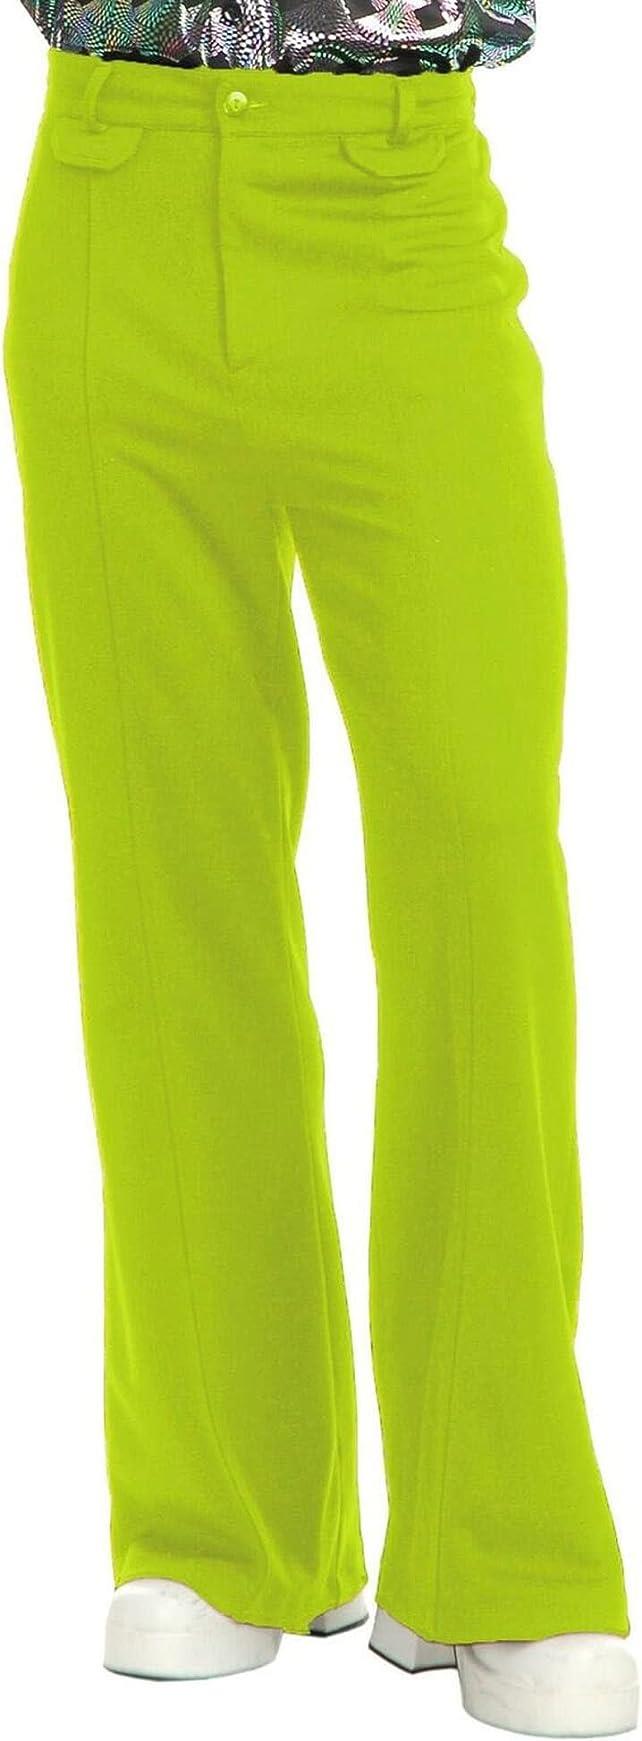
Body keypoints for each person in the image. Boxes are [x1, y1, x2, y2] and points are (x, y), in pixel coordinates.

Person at [3, 3, 638, 1734]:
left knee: (477, 861)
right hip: (107, 192)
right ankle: (224, 1521)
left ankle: (498, 1544)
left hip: (396, 215)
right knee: (166, 881)